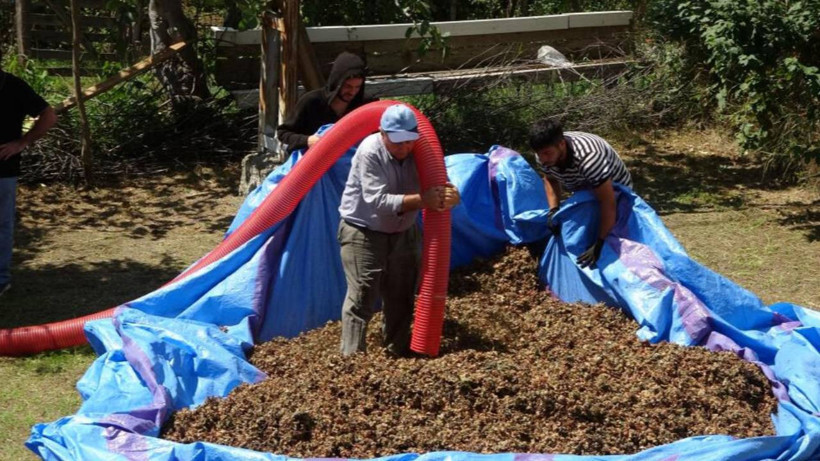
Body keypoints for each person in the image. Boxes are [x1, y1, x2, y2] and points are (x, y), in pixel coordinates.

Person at [337, 104, 459, 357]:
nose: (404, 148)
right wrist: (423, 201)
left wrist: (451, 195)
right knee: (363, 295)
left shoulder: (421, 149)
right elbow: (377, 202)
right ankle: (351, 362)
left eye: (408, 142)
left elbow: (440, 183)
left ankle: (397, 353)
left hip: (403, 231)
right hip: (364, 229)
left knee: (401, 295)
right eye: (397, 142)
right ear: (382, 133)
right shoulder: (370, 151)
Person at [529, 118, 632, 269]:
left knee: (617, 238)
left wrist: (600, 243)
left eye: (547, 153)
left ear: (562, 144)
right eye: (539, 154)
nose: (543, 159)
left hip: (615, 190)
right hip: (583, 187)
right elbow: (550, 180)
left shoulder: (588, 157)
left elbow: (608, 203)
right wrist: (553, 210)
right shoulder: (543, 156)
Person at [0, 59, 58, 297]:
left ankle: (1, 280)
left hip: (2, 170)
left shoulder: (13, 86)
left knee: (2, 225)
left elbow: (48, 116)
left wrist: (22, 142)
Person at [277, 51, 376, 154]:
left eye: (357, 87)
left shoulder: (366, 104)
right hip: (316, 159)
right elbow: (283, 133)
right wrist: (308, 140)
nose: (352, 92)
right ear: (336, 82)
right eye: (348, 86)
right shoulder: (312, 102)